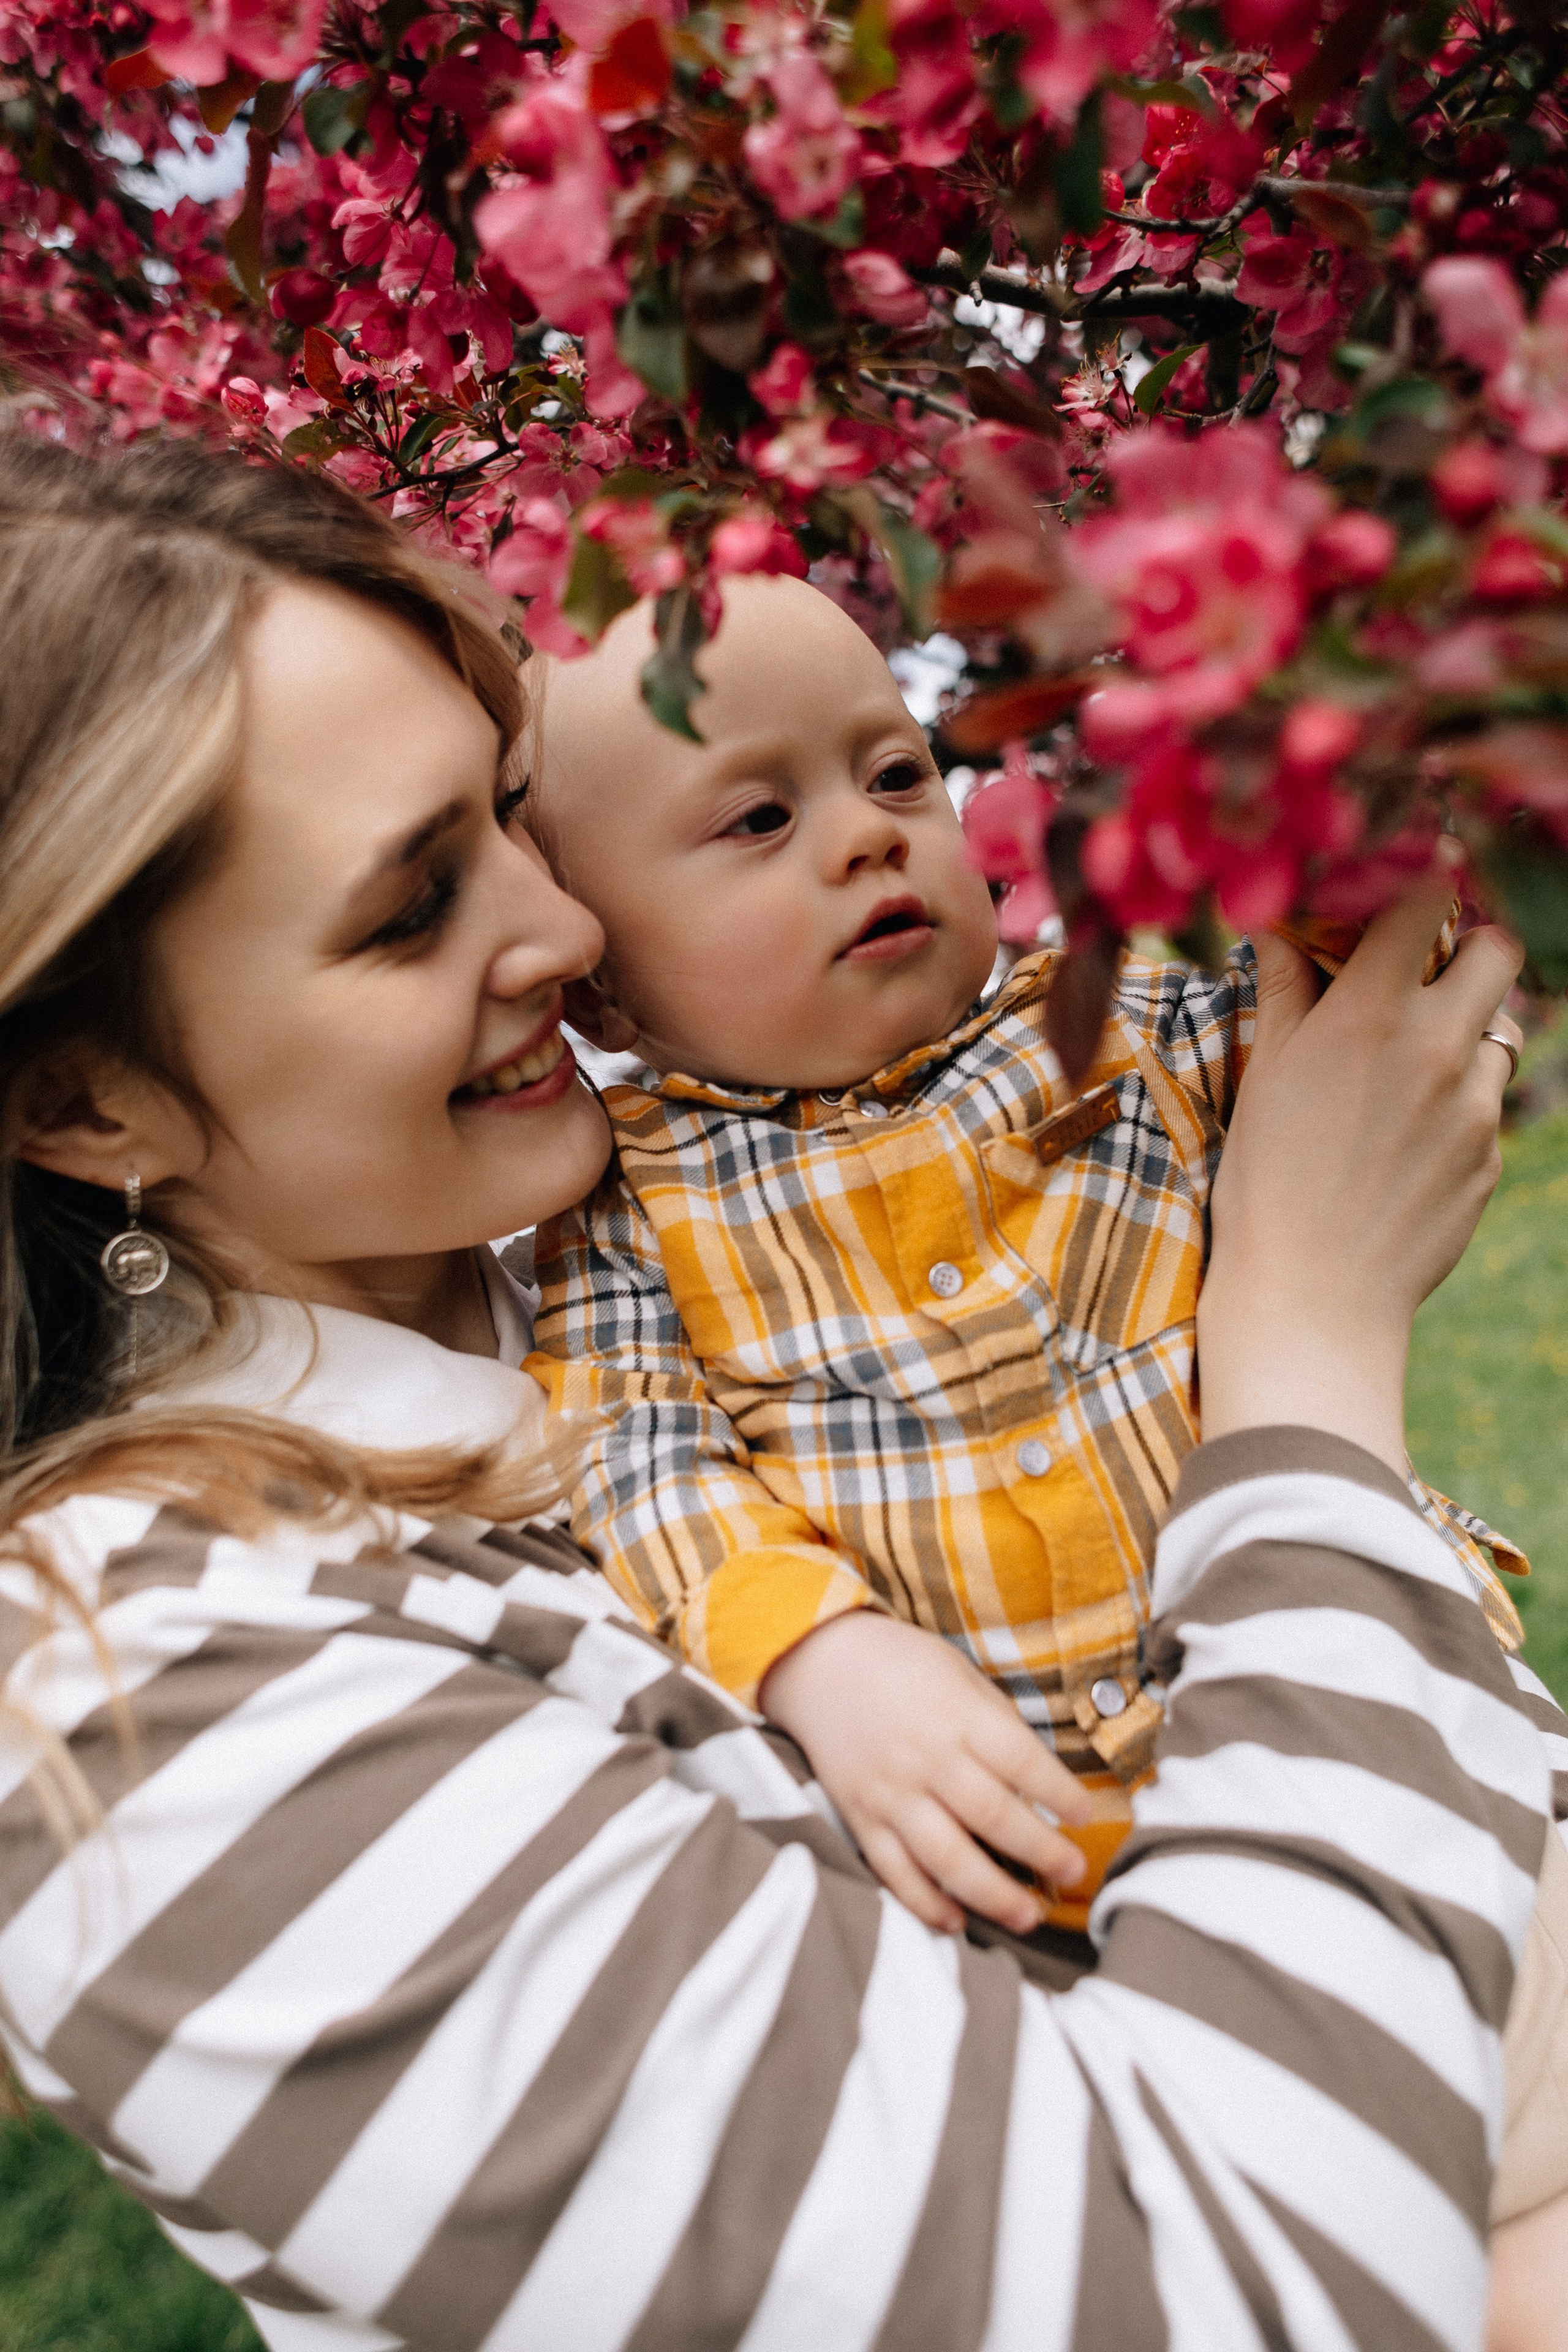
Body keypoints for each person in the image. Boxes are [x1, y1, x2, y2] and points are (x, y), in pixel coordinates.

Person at [0, 435, 1561, 2352]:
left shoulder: (553, 1281)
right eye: (412, 908)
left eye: (517, 825)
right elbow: (1224, 2306)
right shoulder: (140, 1724)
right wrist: (1306, 1358)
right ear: (83, 1099)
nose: (571, 939)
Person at [524, 576, 1522, 1939]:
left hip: (1386, 1702)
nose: (866, 839)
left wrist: (1298, 831)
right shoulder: (629, 1197)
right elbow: (627, 1454)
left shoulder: (1115, 1021)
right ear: (600, 989)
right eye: (759, 817)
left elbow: (1351, 1017)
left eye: (893, 775)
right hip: (1041, 1854)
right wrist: (819, 1651)